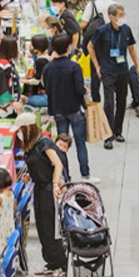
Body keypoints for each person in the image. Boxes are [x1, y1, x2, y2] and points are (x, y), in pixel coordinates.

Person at [16, 114, 67, 277]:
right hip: (38, 189)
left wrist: (54, 183)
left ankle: (60, 264)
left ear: (28, 128)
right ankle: (51, 263)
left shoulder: (44, 143)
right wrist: (30, 176)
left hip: (48, 191)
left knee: (51, 228)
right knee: (42, 229)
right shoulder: (30, 146)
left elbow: (57, 163)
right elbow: (38, 165)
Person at [88, 4, 139, 149]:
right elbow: (90, 47)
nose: (123, 17)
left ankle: (118, 131)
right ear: (112, 17)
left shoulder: (126, 29)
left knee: (122, 101)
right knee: (109, 103)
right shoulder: (102, 31)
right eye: (120, 15)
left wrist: (137, 67)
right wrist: (97, 66)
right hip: (107, 71)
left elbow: (131, 48)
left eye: (124, 14)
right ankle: (108, 135)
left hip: (122, 70)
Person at [43, 33, 92, 180]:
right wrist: (85, 91)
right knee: (80, 143)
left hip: (58, 110)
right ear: (68, 48)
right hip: (74, 109)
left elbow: (47, 88)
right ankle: (85, 174)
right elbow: (78, 88)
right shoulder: (74, 67)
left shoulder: (47, 68)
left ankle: (63, 176)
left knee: (60, 146)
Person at [0, 36, 24, 117]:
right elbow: (2, 87)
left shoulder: (8, 63)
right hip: (3, 109)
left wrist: (19, 96)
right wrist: (12, 102)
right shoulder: (3, 66)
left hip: (10, 106)